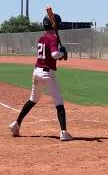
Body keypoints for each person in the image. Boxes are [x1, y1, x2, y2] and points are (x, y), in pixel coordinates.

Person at [8, 13, 72, 141]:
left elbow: (49, 56)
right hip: (47, 74)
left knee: (32, 100)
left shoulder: (42, 38)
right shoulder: (53, 37)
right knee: (59, 103)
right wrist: (62, 52)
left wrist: (61, 55)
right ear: (54, 25)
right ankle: (63, 132)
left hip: (37, 72)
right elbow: (54, 54)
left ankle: (16, 124)